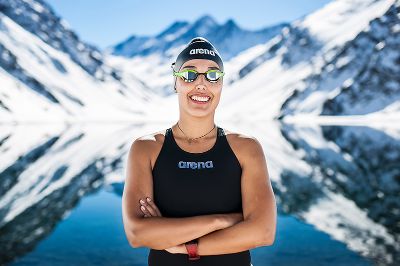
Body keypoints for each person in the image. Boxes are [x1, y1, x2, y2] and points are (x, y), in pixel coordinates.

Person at [122, 37, 277, 266]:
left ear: (221, 84)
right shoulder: (147, 149)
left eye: (213, 75)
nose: (201, 83)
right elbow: (137, 234)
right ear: (176, 82)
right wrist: (221, 220)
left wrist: (181, 245)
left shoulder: (246, 148)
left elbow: (263, 232)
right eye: (189, 74)